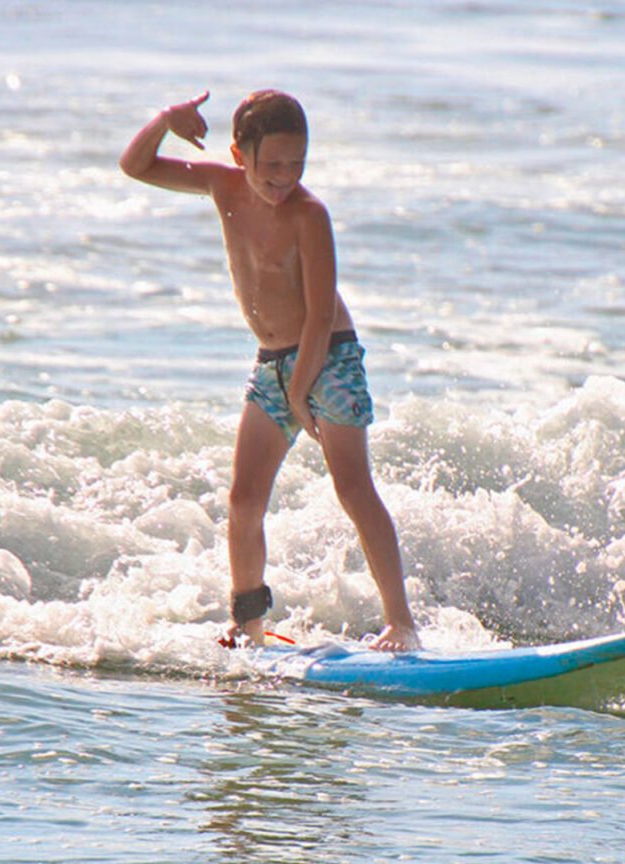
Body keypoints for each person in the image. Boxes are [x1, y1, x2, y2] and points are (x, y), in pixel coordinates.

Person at [120, 89, 420, 652]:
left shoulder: (310, 215)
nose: (284, 177)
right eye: (273, 164)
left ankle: (401, 624)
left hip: (327, 356)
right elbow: (134, 166)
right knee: (243, 498)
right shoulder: (222, 186)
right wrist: (164, 120)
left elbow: (321, 311)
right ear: (240, 155)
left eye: (297, 164)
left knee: (353, 487)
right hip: (273, 364)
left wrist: (301, 389)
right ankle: (248, 624)